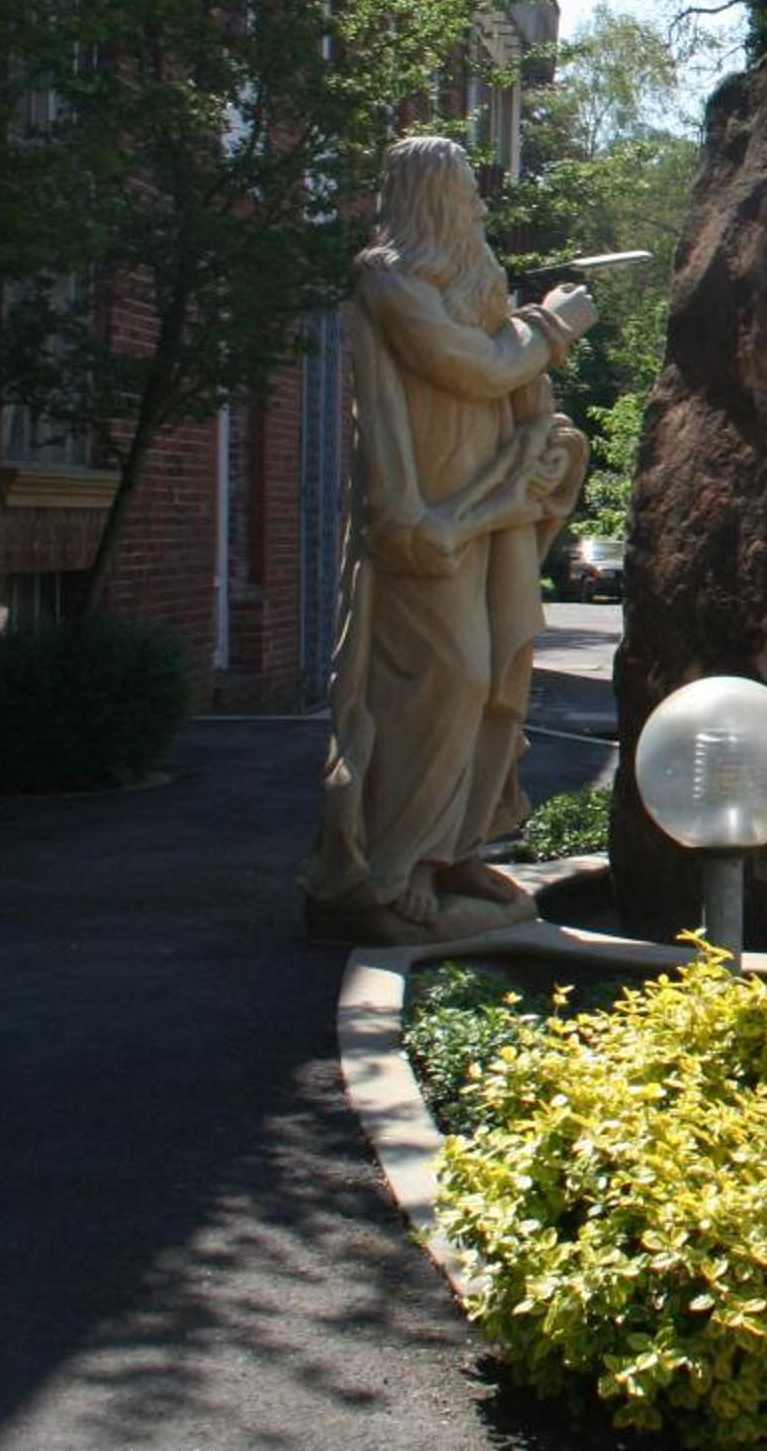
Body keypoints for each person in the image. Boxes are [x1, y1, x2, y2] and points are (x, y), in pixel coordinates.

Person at [304, 136, 594, 942]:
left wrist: (540, 434)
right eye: (465, 191)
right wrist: (552, 325)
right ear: (431, 196)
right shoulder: (389, 279)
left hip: (490, 514)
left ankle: (457, 846)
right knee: (446, 678)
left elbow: (511, 378)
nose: (476, 205)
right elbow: (472, 366)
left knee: (498, 670)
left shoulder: (471, 281)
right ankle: (394, 866)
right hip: (427, 518)